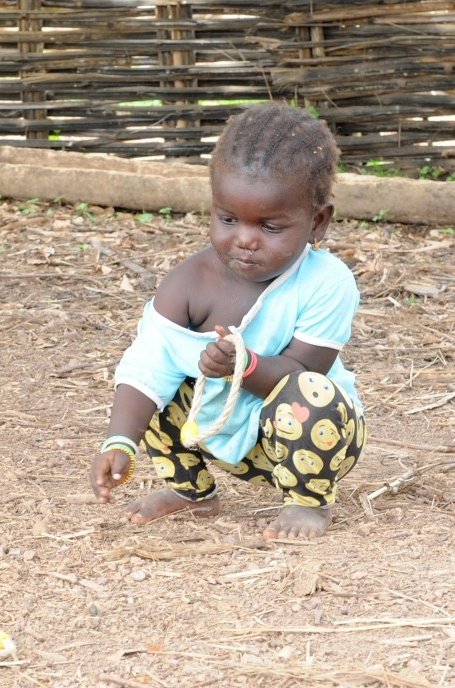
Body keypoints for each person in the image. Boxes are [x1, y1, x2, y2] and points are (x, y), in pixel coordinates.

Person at [90, 102, 367, 542]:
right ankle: (193, 493)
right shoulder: (188, 282)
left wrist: (246, 364)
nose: (244, 239)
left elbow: (305, 372)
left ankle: (307, 503)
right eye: (228, 219)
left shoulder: (327, 282)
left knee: (313, 394)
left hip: (307, 440)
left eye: (270, 227)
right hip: (217, 429)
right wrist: (119, 442)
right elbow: (146, 368)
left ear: (318, 222)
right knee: (159, 393)